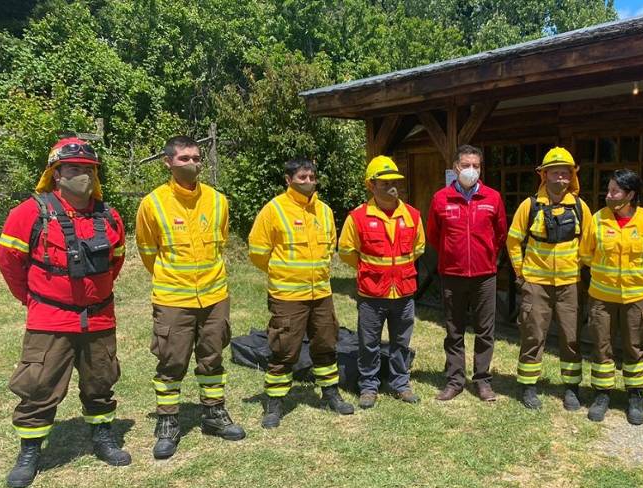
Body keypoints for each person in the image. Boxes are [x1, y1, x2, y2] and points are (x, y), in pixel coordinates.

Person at [0, 136, 130, 488]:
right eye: (74, 169)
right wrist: (32, 297)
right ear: (56, 173)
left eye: (89, 169)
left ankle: (102, 436)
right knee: (38, 385)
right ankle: (29, 452)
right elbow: (9, 260)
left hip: (99, 317)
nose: (82, 176)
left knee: (101, 381)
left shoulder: (108, 214)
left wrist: (95, 294)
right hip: (50, 319)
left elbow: (116, 260)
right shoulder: (29, 212)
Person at [136, 135, 245, 460]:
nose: (193, 163)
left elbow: (221, 241)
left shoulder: (217, 201)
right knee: (172, 360)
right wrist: (174, 280)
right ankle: (168, 422)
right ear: (167, 162)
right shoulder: (152, 204)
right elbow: (147, 251)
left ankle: (214, 414)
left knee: (212, 356)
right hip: (173, 298)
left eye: (196, 157)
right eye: (184, 158)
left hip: (214, 295)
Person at [248, 158, 354, 427]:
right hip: (287, 296)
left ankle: (330, 393)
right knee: (284, 350)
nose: (308, 181)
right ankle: (274, 403)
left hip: (320, 293)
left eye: (312, 177)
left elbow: (330, 247)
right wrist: (285, 274)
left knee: (326, 345)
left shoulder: (325, 211)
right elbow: (259, 252)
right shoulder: (274, 210)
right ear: (288, 179)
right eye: (302, 177)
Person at [506, 147, 592, 411]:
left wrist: (582, 272)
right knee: (533, 335)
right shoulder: (529, 205)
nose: (560, 178)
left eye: (565, 173)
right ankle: (528, 387)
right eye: (555, 173)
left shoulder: (580, 207)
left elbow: (588, 245)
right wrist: (521, 274)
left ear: (572, 176)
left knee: (571, 337)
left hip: (569, 285)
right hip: (536, 284)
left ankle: (571, 389)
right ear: (544, 175)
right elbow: (513, 241)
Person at [338, 155, 426, 408]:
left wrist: (396, 270)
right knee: (369, 342)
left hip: (404, 292)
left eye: (395, 181)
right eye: (385, 182)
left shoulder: (411, 215)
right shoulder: (358, 217)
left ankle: (400, 383)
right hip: (372, 293)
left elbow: (418, 247)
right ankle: (369, 386)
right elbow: (346, 251)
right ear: (371, 185)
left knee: (401, 341)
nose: (392, 186)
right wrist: (369, 270)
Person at [580, 169, 643, 425]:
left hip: (636, 299)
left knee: (634, 348)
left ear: (630, 194)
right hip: (602, 298)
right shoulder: (597, 219)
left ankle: (635, 397)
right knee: (601, 347)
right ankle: (602, 395)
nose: (609, 195)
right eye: (608, 190)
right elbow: (585, 254)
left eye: (615, 191)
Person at [427, 145, 507, 402]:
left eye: (476, 165)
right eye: (466, 165)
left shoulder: (493, 197)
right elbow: (434, 236)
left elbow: (500, 234)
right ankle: (455, 380)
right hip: (452, 274)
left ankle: (482, 380)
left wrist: (486, 257)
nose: (471, 170)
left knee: (485, 330)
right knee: (454, 329)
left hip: (484, 275)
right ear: (455, 168)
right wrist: (453, 256)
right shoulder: (441, 198)